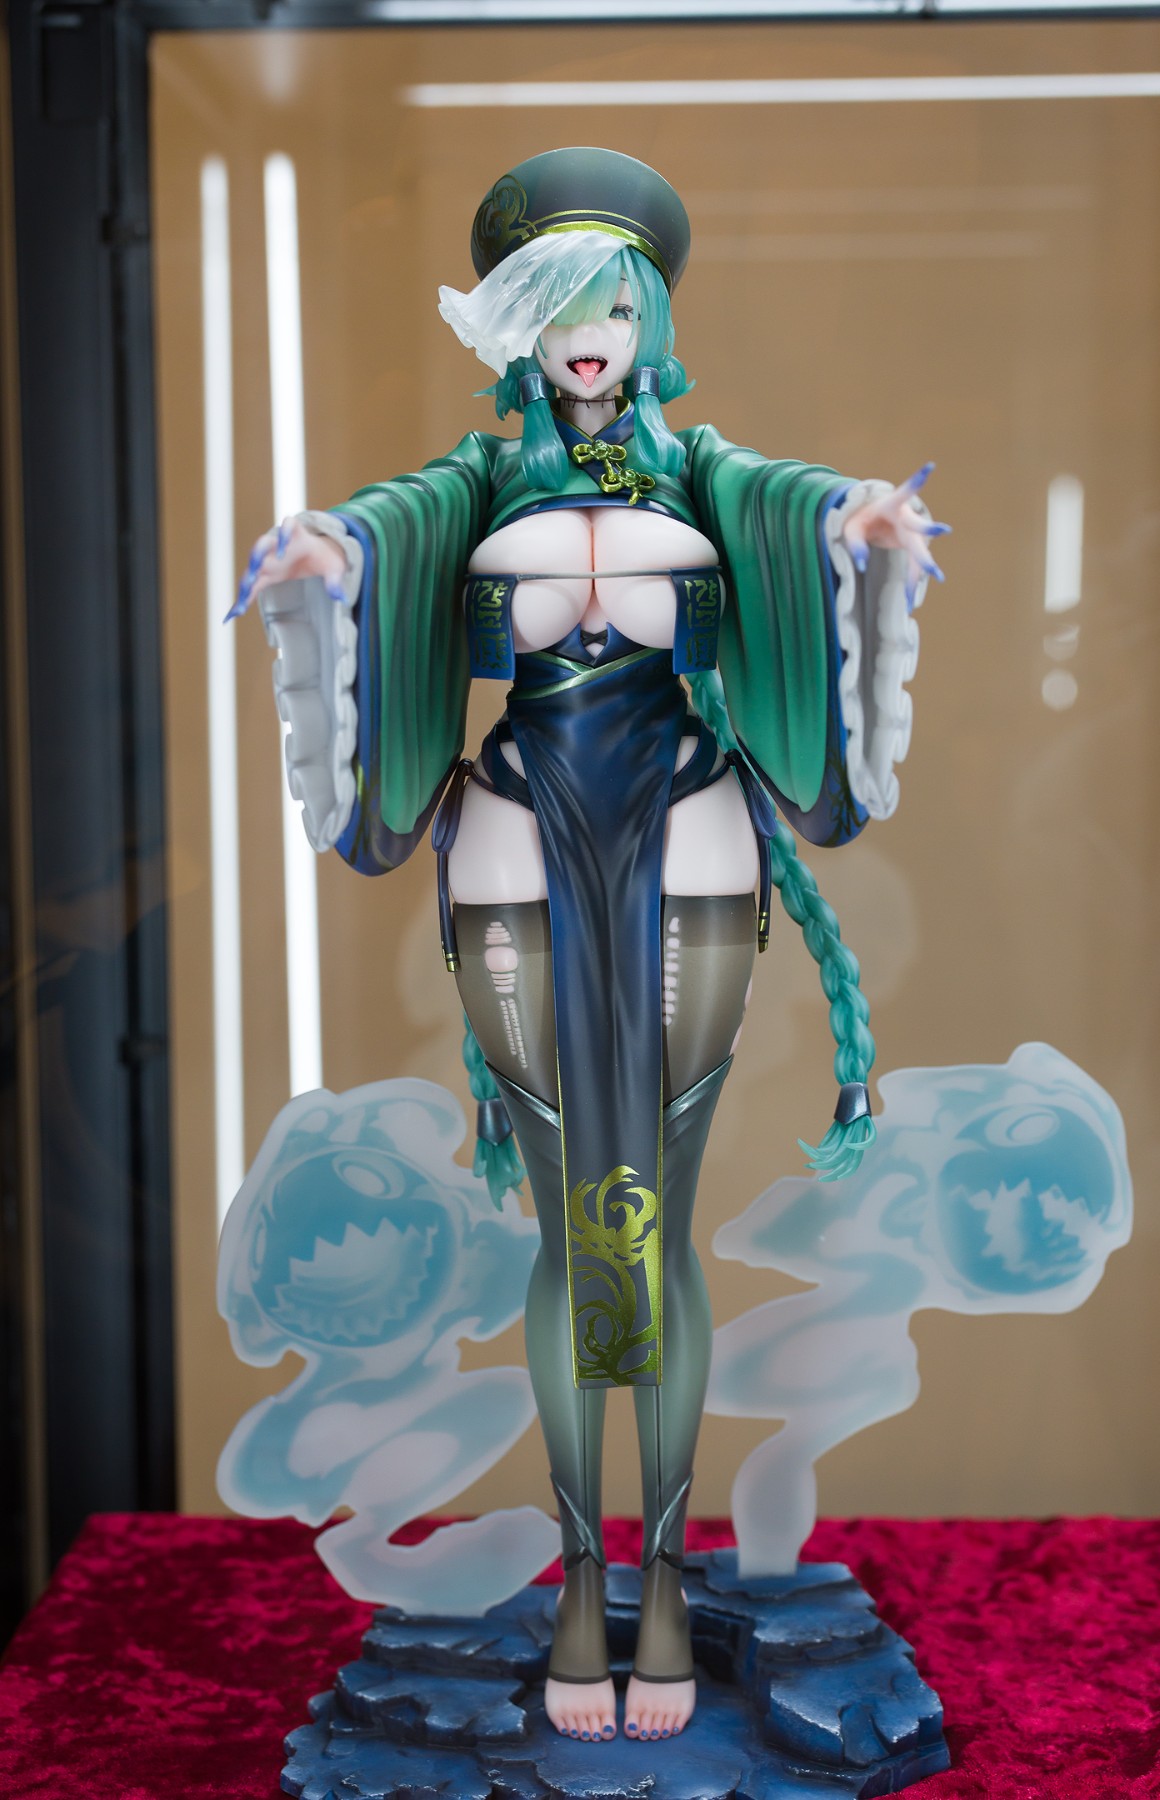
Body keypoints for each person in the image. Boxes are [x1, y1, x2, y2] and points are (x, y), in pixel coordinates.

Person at [233, 146, 946, 1747]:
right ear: (516, 328)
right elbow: (392, 525)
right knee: (573, 1218)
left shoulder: (706, 476)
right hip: (516, 829)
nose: (588, 338)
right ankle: (578, 1580)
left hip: (686, 828)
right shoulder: (480, 483)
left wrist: (861, 523)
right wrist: (326, 559)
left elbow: (791, 503)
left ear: (652, 322)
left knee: (658, 1210)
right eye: (557, 309)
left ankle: (668, 1581)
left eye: (614, 307)